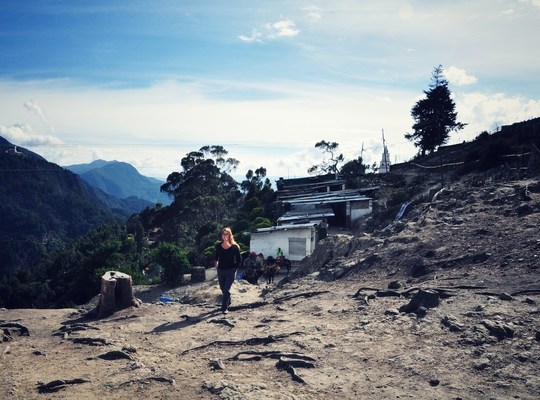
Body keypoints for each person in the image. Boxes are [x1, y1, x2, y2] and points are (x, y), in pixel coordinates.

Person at [214, 227, 241, 314]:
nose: (225, 236)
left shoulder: (234, 247)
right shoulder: (218, 246)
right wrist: (216, 264)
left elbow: (239, 259)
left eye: (226, 234)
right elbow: (216, 257)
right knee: (223, 288)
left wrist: (235, 268)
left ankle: (224, 308)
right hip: (221, 270)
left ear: (230, 235)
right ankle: (228, 300)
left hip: (231, 271)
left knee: (226, 289)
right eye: (223, 234)